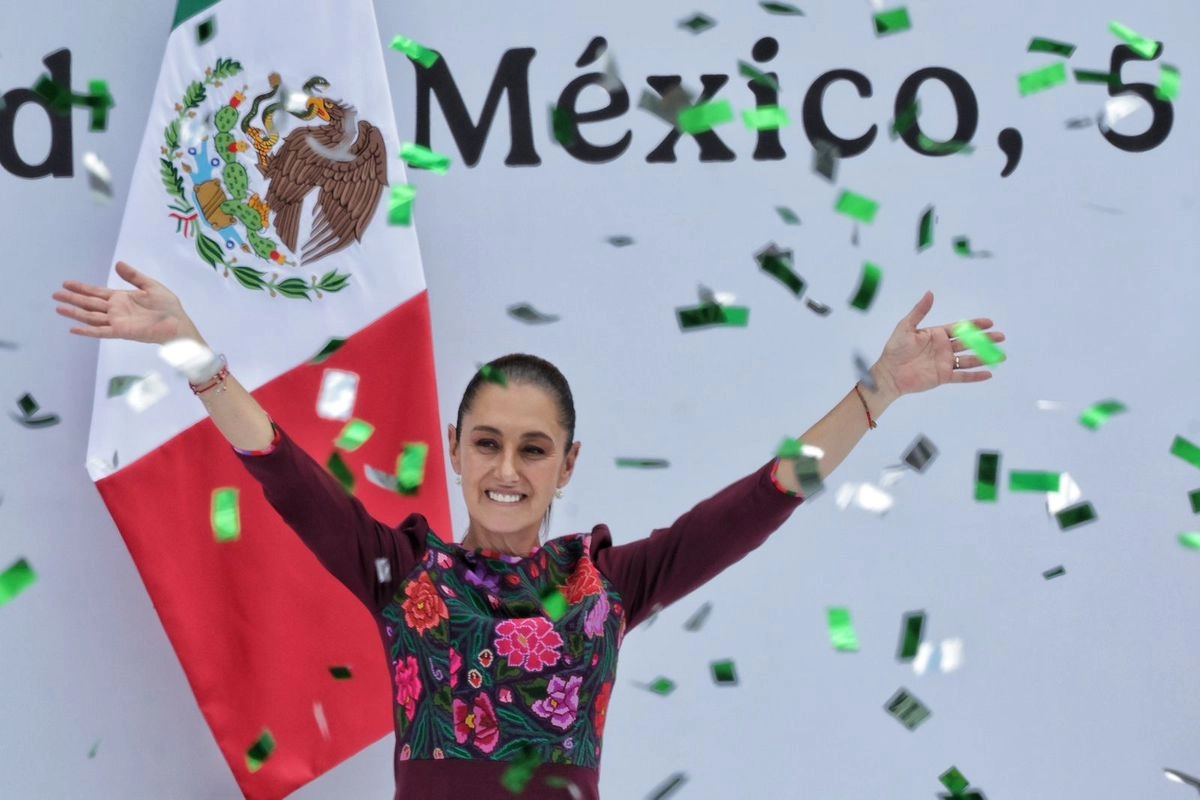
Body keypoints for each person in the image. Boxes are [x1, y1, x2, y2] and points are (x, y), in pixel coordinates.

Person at [54, 261, 1004, 800]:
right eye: (488, 443)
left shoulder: (610, 586)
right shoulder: (402, 575)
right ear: (455, 450)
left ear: (567, 464)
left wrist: (879, 391)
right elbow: (282, 471)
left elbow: (766, 496)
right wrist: (189, 349)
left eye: (533, 448)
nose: (508, 470)